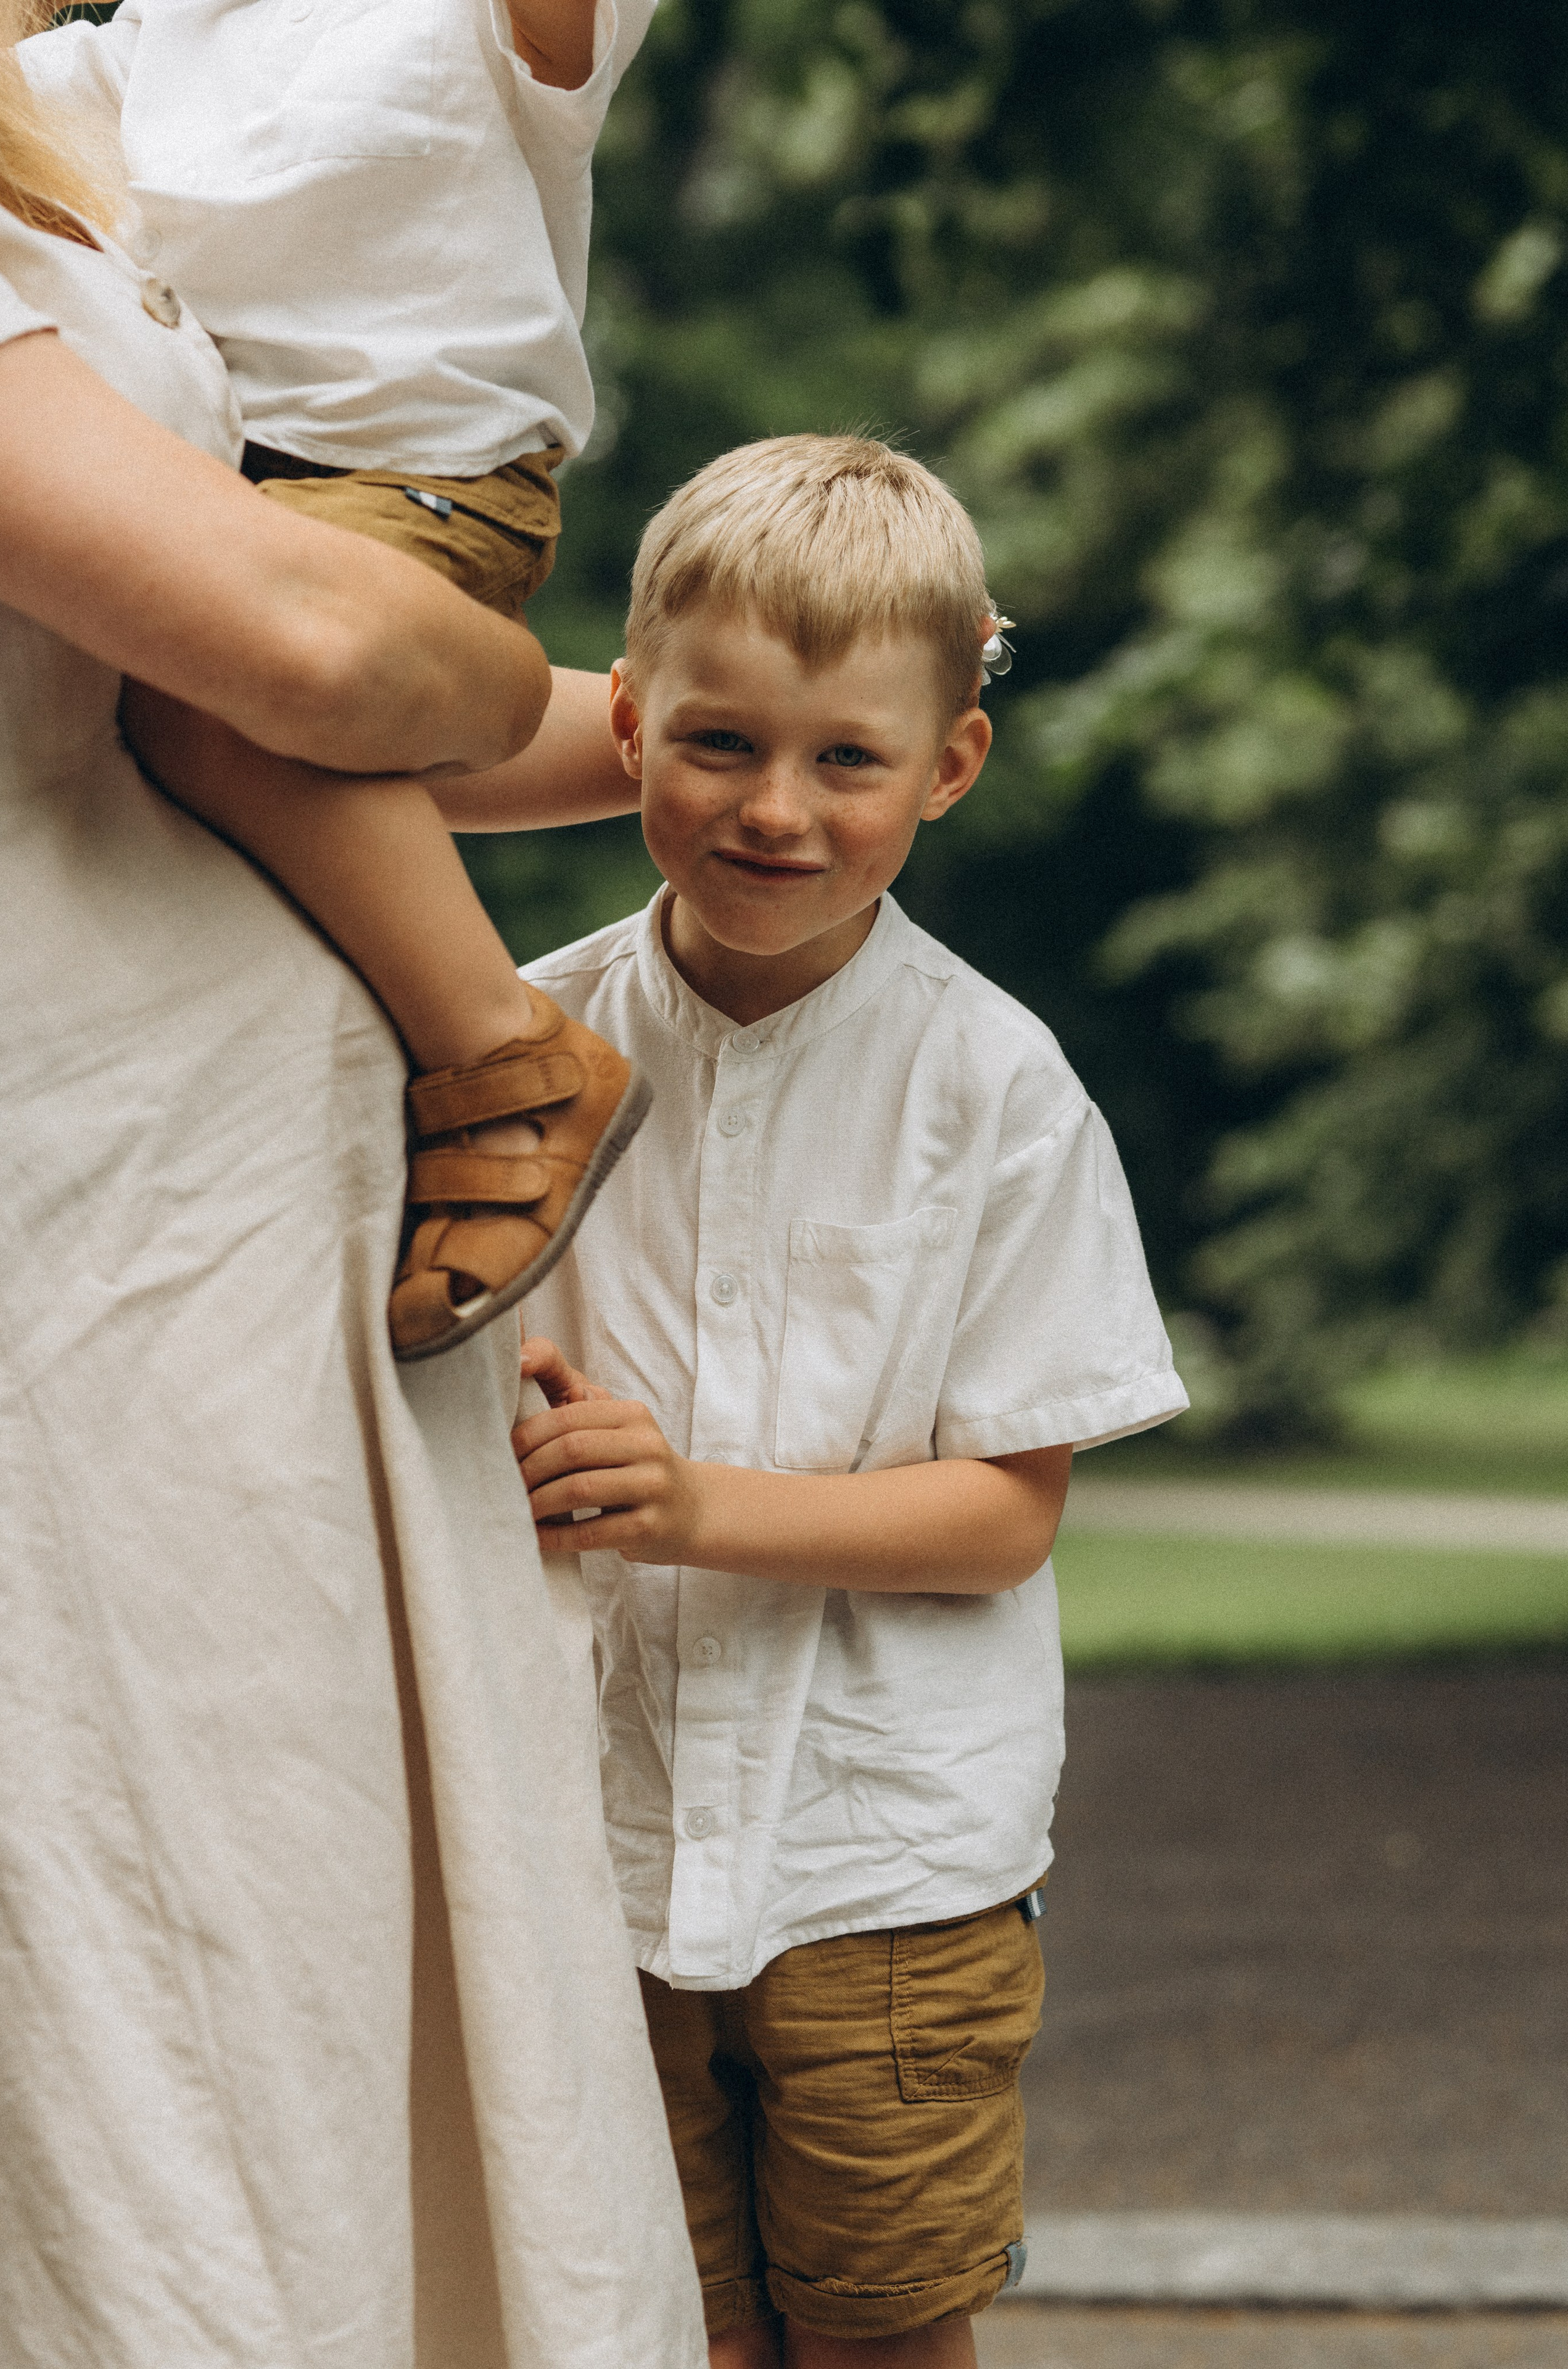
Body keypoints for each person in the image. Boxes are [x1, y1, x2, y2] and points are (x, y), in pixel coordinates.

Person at [0, 20, 705, 2366]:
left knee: (303, 1967)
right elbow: (307, 644)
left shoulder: (83, 139)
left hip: (268, 1233)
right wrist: (411, 647)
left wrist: (743, 741)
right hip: (78, 1246)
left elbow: (306, 694)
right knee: (148, 1989)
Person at [510, 436, 1190, 2368]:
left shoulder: (996, 1086)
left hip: (884, 1870)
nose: (775, 812)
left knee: (886, 2334)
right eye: (719, 745)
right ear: (627, 726)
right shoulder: (520, 1045)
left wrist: (694, 1502)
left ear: (949, 768)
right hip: (594, 1845)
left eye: (848, 761)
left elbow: (1004, 1514)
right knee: (658, 2326)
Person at [18, 0, 661, 1358]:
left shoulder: (464, 23)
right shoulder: (133, 51)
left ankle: (510, 1060)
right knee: (232, 703)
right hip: (237, 495)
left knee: (208, 695)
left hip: (426, 484)